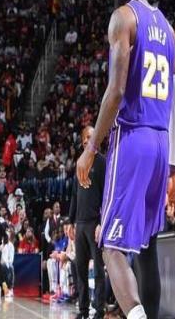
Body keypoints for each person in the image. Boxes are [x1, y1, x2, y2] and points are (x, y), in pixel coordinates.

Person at [76, 0, 175, 319]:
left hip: (134, 138)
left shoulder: (123, 18)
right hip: (161, 143)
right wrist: (174, 169)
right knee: (148, 246)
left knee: (110, 247)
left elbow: (116, 91)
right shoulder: (168, 29)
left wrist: (91, 148)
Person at [68, 125, 106, 319]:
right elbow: (74, 195)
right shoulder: (79, 163)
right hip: (80, 223)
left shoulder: (102, 162)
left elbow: (106, 195)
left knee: (98, 270)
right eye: (85, 137)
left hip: (95, 224)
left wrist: (102, 221)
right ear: (82, 141)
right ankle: (83, 310)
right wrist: (70, 221)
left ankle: (99, 310)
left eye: (92, 136)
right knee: (80, 269)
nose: (88, 140)